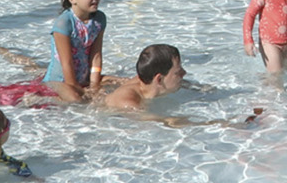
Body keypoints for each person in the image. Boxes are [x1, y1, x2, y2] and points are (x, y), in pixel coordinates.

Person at [94, 44, 266, 128]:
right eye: (178, 72)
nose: (184, 73)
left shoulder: (145, 81)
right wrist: (222, 123)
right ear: (159, 79)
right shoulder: (130, 104)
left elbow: (189, 85)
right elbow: (169, 122)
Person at [45, 0, 106, 102]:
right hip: (60, 81)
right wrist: (78, 88)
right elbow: (66, 63)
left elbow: (96, 55)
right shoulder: (64, 23)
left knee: (121, 83)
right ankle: (37, 99)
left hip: (83, 77)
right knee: (76, 100)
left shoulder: (99, 19)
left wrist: (94, 85)